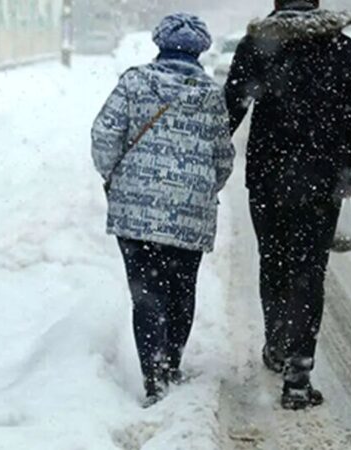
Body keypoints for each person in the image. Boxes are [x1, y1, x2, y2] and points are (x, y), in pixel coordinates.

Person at [225, 0, 351, 410]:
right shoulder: (346, 51)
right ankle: (298, 377)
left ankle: (276, 344)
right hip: (320, 185)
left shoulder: (258, 45)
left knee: (273, 262)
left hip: (269, 180)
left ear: (277, 3)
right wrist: (347, 176)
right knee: (308, 272)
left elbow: (231, 108)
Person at [92, 13, 235, 408]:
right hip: (190, 214)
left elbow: (104, 135)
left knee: (147, 293)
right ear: (200, 50)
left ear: (159, 43)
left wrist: (116, 177)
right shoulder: (210, 94)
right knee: (181, 289)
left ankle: (154, 377)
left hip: (136, 213)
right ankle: (170, 363)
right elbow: (223, 158)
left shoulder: (134, 82)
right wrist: (200, 188)